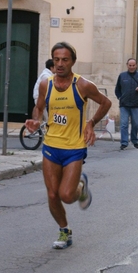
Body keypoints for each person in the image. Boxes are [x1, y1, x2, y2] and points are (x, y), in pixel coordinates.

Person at [25, 42, 112, 249]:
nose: (60, 64)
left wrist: (91, 123)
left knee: (66, 195)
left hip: (74, 147)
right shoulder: (46, 84)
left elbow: (106, 102)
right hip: (51, 145)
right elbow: (38, 108)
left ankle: (80, 186)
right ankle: (64, 231)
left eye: (65, 60)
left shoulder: (82, 85)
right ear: (52, 62)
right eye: (56, 60)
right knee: (53, 194)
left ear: (73, 61)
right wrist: (36, 120)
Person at [115, 58, 138, 150]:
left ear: (136, 65)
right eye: (130, 65)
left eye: (133, 65)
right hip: (124, 104)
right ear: (127, 65)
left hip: (135, 104)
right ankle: (124, 142)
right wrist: (119, 97)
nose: (132, 67)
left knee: (136, 123)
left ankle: (134, 140)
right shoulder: (122, 76)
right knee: (124, 124)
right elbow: (117, 89)